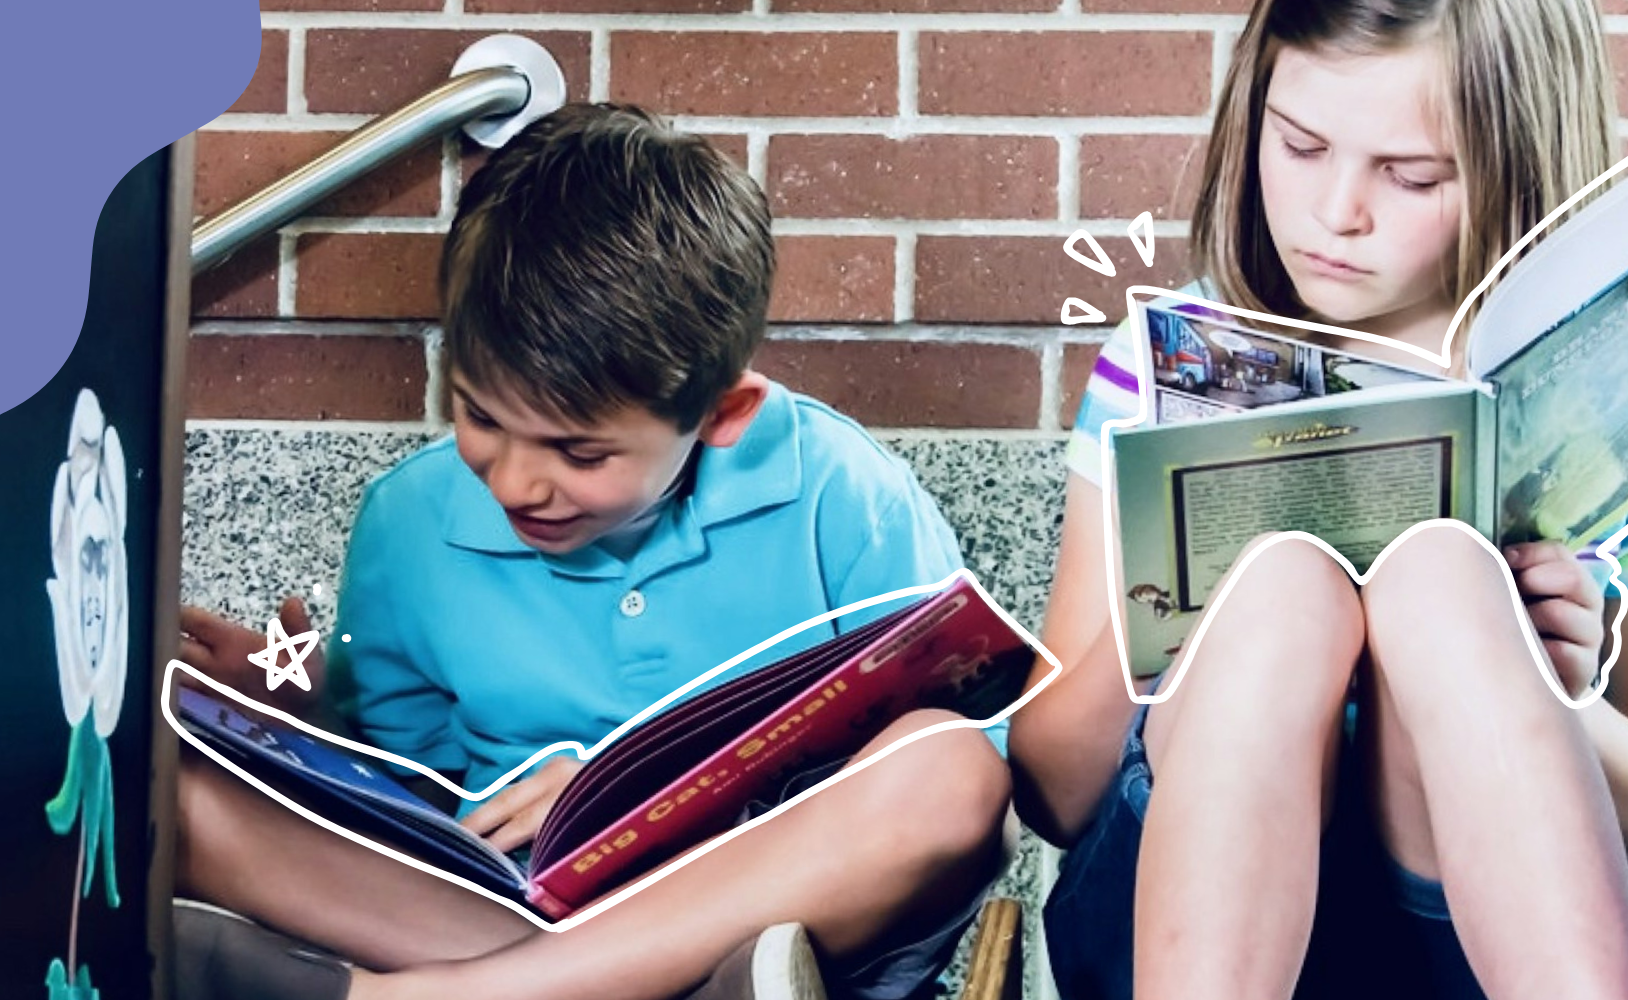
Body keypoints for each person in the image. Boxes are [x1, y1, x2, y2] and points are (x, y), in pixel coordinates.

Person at [172, 103, 1010, 1000]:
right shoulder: (409, 519)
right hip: (506, 916)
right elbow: (405, 795)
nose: (516, 484)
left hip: (768, 915)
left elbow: (972, 759)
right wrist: (296, 720)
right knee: (168, 777)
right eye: (479, 417)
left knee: (947, 768)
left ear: (723, 414)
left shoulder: (843, 495)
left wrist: (652, 799)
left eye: (579, 453)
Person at [1005, 1, 1628, 998]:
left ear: (1513, 159)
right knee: (1280, 591)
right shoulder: (1158, 365)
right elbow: (1051, 788)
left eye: (1408, 174)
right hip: (1166, 922)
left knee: (1442, 580)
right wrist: (1176, 609)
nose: (1334, 211)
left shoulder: (1611, 403)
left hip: (1457, 935)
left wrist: (1559, 699)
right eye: (1298, 145)